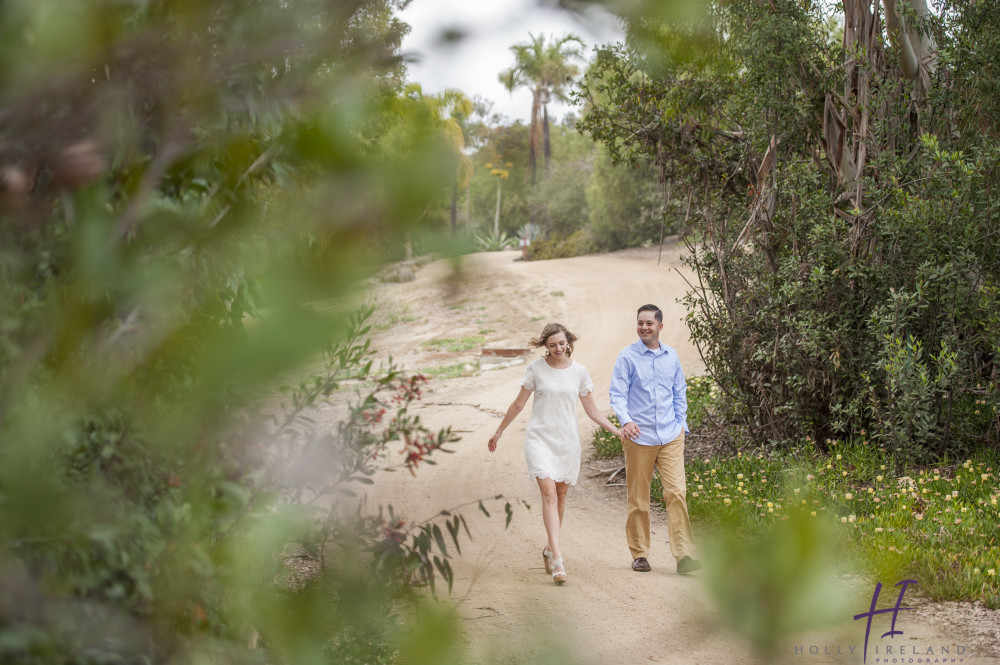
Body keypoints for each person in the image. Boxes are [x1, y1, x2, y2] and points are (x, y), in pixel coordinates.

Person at [488, 322, 621, 585]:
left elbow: (592, 411)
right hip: (539, 440)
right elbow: (518, 403)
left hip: (566, 442)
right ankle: (558, 559)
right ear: (545, 347)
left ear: (568, 341)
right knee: (548, 493)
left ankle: (549, 548)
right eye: (552, 345)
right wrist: (499, 431)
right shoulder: (536, 369)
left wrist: (617, 431)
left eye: (562, 343)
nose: (558, 348)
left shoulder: (580, 372)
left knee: (560, 496)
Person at [609, 304, 701, 575]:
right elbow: (617, 394)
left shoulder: (671, 356)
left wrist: (681, 424)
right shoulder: (627, 357)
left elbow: (679, 391)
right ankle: (640, 554)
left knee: (677, 493)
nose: (644, 327)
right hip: (640, 438)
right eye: (640, 323)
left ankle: (684, 555)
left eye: (649, 323)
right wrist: (626, 420)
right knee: (639, 497)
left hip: (671, 435)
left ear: (660, 326)